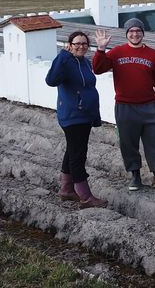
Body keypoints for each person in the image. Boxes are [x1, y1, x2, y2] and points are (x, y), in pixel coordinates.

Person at [92, 18, 155, 191]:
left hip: (150, 106)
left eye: (138, 31)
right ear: (126, 33)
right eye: (131, 31)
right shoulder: (116, 52)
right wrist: (100, 49)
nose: (135, 34)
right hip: (125, 106)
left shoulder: (152, 54)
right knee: (128, 143)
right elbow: (98, 69)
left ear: (143, 33)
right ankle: (135, 176)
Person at [45, 30, 107, 209]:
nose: (81, 46)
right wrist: (63, 55)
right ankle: (85, 196)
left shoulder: (85, 62)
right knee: (78, 155)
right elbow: (51, 80)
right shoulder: (65, 62)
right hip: (72, 115)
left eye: (84, 44)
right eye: (77, 43)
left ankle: (66, 189)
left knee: (72, 151)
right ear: (70, 45)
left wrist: (94, 116)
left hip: (85, 115)